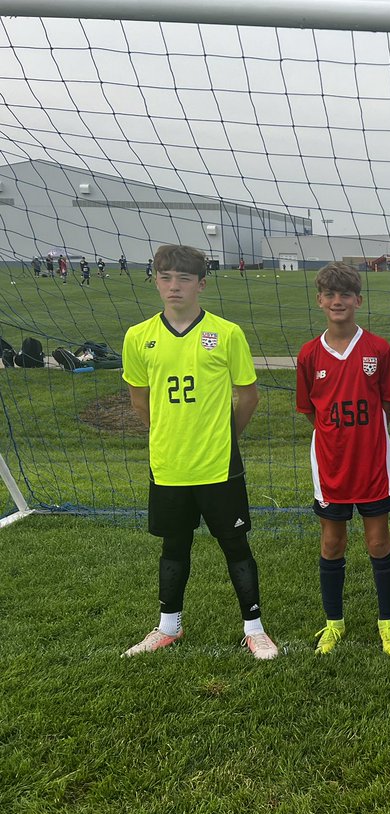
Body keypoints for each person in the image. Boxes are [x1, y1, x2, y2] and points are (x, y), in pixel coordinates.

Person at [120, 244, 277, 660]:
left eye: (184, 279)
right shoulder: (138, 337)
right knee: (174, 546)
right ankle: (168, 626)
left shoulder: (226, 333)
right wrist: (170, 435)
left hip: (218, 463)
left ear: (201, 284)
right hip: (169, 465)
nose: (174, 287)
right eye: (166, 277)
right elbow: (141, 401)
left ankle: (255, 629)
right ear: (155, 280)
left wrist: (226, 438)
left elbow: (248, 396)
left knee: (236, 545)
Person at [295, 262, 390, 656]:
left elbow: (387, 403)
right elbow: (310, 410)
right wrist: (334, 432)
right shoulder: (309, 354)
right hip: (330, 464)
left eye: (345, 295)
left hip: (373, 462)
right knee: (332, 543)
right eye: (330, 294)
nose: (337, 301)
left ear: (358, 300)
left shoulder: (378, 349)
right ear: (320, 300)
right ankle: (334, 624)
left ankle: (387, 625)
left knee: (378, 541)